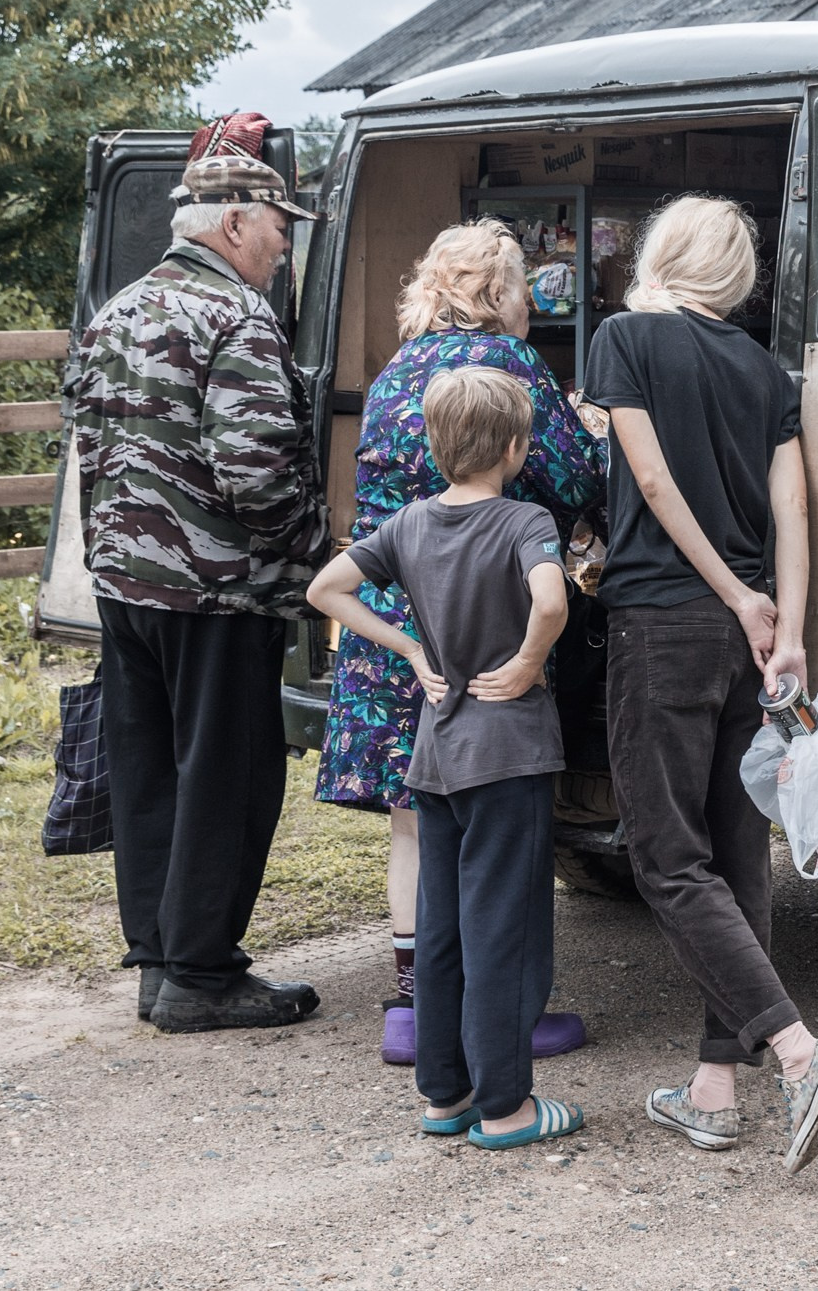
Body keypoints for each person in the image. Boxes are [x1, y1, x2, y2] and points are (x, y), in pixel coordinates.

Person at [579, 195, 818, 1175]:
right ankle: (712, 1085)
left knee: (663, 852)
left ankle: (796, 1049)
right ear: (739, 275)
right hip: (750, 639)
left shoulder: (625, 338)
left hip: (666, 620)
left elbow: (651, 486)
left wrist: (740, 596)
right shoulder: (763, 367)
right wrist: (784, 629)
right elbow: (793, 503)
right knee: (737, 853)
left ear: (661, 253)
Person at [316, 219, 604, 1067]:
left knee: (416, 816)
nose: (528, 301)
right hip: (477, 619)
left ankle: (413, 1009)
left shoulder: (394, 371)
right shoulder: (507, 365)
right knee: (495, 818)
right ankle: (505, 1010)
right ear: (495, 291)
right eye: (522, 285)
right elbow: (573, 477)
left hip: (393, 617)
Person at [66, 113, 328, 1033]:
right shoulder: (237, 316)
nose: (282, 245)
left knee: (150, 773)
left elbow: (88, 443)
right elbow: (255, 469)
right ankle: (204, 974)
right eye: (278, 227)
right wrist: (316, 547)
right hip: (216, 590)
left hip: (125, 587)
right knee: (227, 776)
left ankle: (159, 960)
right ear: (234, 223)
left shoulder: (120, 308)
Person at [307, 367, 584, 1150]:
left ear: (433, 443)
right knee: (505, 927)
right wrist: (531, 660)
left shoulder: (408, 524)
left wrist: (405, 645)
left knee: (443, 925)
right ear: (516, 446)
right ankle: (505, 1107)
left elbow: (327, 588)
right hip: (508, 754)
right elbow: (554, 598)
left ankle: (443, 1094)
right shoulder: (524, 517)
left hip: (436, 756)